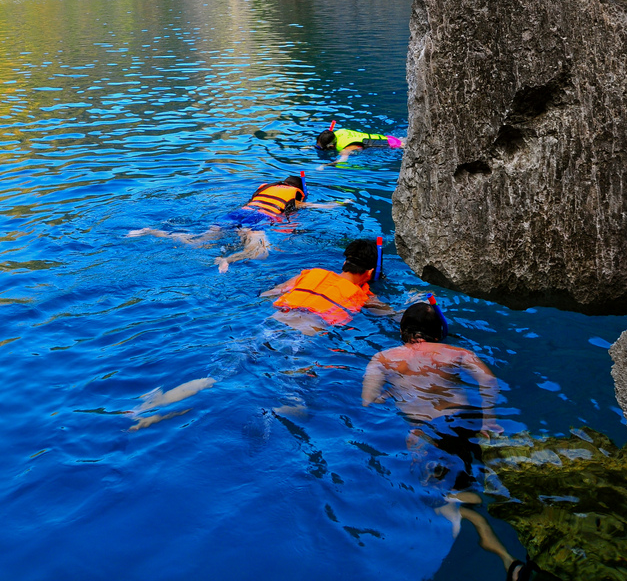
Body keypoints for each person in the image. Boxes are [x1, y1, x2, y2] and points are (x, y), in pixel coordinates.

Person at [362, 302, 539, 580]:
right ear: (438, 332)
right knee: (492, 483)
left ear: (403, 331)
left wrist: (392, 391)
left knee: (451, 501)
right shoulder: (457, 352)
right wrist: (489, 420)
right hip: (468, 421)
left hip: (432, 433)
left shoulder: (384, 358)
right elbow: (489, 381)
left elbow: (367, 403)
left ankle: (507, 559)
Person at [128, 175, 348, 272]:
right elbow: (320, 207)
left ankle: (150, 231)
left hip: (238, 213)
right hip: (260, 218)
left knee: (197, 240)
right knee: (260, 253)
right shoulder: (296, 199)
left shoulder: (264, 188)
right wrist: (342, 202)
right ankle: (227, 260)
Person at [260, 239, 392, 335]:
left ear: (345, 262)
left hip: (275, 319)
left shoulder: (311, 274)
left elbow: (268, 294)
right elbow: (391, 315)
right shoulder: (363, 296)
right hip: (304, 333)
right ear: (370, 272)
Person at [316, 126, 403, 162]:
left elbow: (342, 160)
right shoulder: (339, 132)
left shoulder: (346, 147)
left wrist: (325, 166)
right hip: (387, 138)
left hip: (391, 145)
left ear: (331, 146)